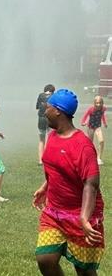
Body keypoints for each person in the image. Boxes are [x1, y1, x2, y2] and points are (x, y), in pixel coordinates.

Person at [33, 89, 105, 276]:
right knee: (45, 259)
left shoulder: (82, 146)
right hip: (54, 213)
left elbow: (91, 184)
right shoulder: (53, 135)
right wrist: (45, 187)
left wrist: (84, 217)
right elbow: (55, 167)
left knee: (84, 270)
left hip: (80, 215)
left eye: (47, 107)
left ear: (58, 111)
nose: (44, 111)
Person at [81, 95, 108, 165]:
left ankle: (99, 158)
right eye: (97, 103)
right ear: (94, 103)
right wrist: (83, 122)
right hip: (91, 127)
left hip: (98, 127)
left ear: (102, 103)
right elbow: (85, 115)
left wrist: (105, 123)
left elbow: (102, 116)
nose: (98, 104)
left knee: (101, 141)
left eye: (100, 103)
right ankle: (89, 157)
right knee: (90, 143)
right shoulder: (91, 109)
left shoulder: (103, 109)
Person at [36, 84, 55, 165]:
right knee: (50, 139)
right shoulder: (54, 96)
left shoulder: (40, 95)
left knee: (41, 140)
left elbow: (37, 107)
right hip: (50, 119)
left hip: (41, 120)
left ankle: (40, 160)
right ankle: (49, 159)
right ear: (53, 91)